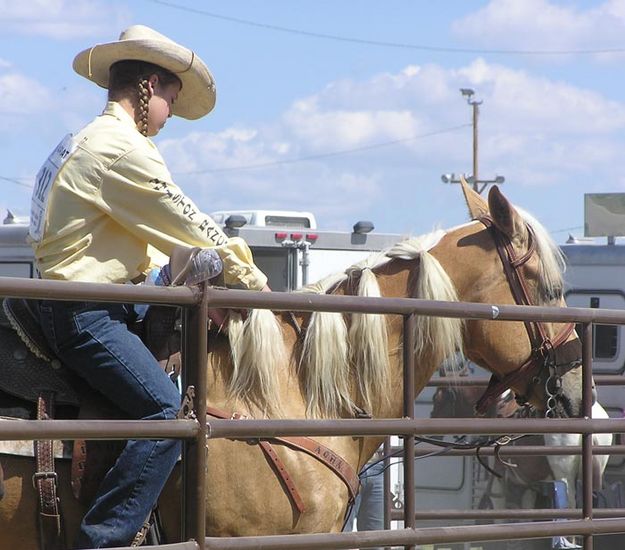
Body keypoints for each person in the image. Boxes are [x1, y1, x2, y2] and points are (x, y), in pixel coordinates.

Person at [30, 25, 269, 549]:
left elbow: (144, 239)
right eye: (170, 100)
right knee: (166, 412)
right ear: (149, 87)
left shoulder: (82, 139)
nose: (168, 117)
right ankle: (104, 539)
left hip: (79, 297)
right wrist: (252, 282)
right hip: (86, 311)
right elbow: (189, 224)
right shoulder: (120, 150)